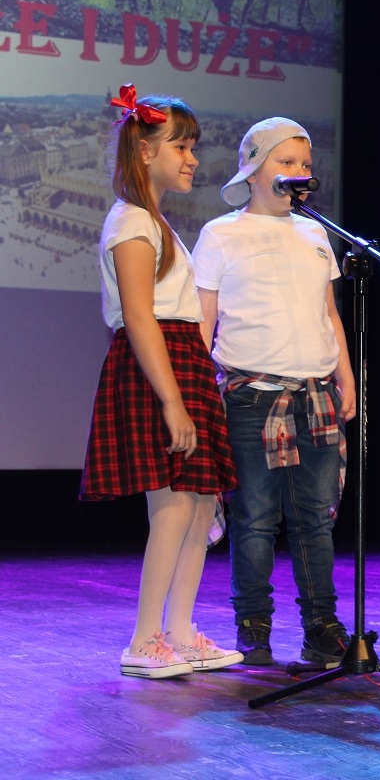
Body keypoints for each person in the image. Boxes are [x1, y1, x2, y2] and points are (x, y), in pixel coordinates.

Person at [80, 85, 242, 678]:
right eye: (181, 146)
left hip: (183, 360)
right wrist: (172, 400)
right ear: (146, 151)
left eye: (193, 147)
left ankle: (178, 632)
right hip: (158, 364)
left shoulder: (154, 221)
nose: (192, 158)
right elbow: (140, 315)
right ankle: (144, 639)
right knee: (172, 505)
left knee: (199, 505)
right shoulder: (130, 222)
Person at [193, 117, 356, 667]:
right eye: (286, 162)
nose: (298, 172)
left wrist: (345, 374)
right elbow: (204, 320)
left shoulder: (315, 234)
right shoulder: (222, 234)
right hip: (250, 396)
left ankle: (321, 627)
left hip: (315, 393)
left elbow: (328, 312)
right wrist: (197, 391)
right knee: (256, 517)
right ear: (253, 169)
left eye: (305, 165)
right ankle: (253, 626)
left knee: (315, 518)